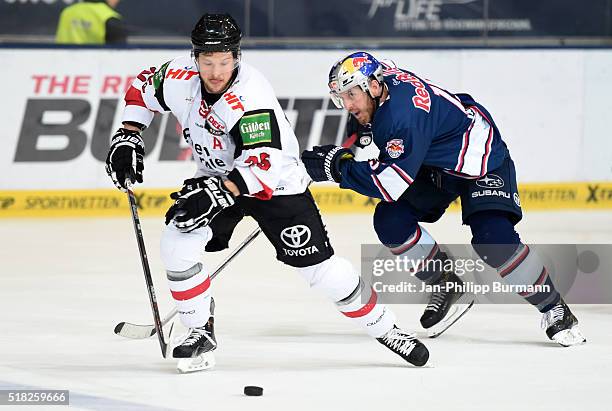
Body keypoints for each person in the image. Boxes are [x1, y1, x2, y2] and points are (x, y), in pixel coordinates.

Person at [105, 15, 429, 372]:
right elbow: (143, 86)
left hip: (275, 184)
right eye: (208, 62)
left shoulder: (250, 97)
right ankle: (199, 330)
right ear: (194, 57)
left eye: (224, 61)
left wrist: (219, 192)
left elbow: (263, 165)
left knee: (321, 271)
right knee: (177, 242)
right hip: (216, 176)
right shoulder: (179, 75)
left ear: (237, 56)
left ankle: (386, 328)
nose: (216, 71)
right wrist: (129, 133)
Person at [301, 51, 587, 347]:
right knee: (391, 221)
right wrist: (356, 133)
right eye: (341, 97)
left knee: (494, 240)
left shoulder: (403, 117)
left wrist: (337, 168)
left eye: (351, 95)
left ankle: (554, 307)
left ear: (374, 86)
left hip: (480, 160)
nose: (347, 105)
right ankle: (446, 283)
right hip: (437, 161)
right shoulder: (381, 82)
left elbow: (390, 182)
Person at [56, 0, 127, 45]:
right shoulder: (108, 17)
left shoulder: (67, 12)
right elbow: (118, 55)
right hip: (97, 67)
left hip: (65, 66)